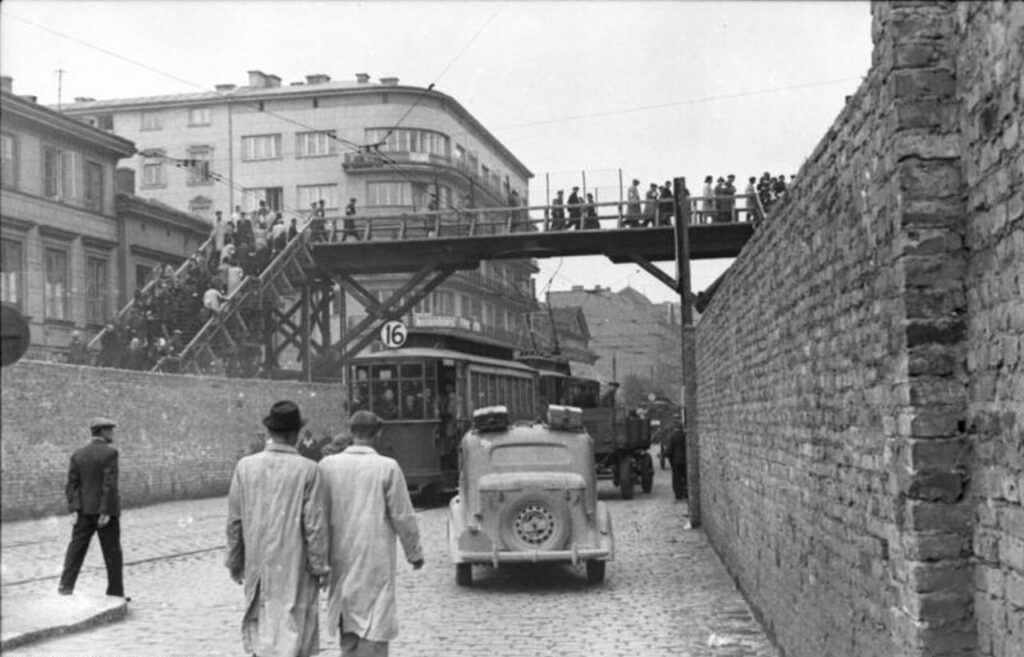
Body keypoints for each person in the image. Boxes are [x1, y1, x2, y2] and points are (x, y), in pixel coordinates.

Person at [226, 401, 331, 657]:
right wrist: (320, 566)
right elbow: (314, 526)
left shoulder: (245, 467)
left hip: (258, 565)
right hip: (295, 565)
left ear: (270, 433)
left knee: (260, 626)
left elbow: (234, 521)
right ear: (294, 435)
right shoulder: (309, 471)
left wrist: (235, 560)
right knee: (294, 630)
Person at [318, 411, 424, 657]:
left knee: (347, 619)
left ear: (351, 431)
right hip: (375, 558)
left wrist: (318, 559)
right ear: (377, 434)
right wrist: (414, 552)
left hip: (339, 557)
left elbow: (317, 516)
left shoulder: (327, 466)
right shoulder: (387, 467)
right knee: (375, 622)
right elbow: (402, 515)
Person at [58, 417, 127, 600]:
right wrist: (105, 511)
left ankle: (65, 588)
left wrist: (74, 508)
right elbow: (109, 485)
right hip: (104, 513)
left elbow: (71, 484)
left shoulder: (78, 454)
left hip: (82, 511)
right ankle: (115, 593)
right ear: (102, 432)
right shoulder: (110, 453)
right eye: (109, 430)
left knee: (75, 550)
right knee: (112, 553)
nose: (112, 434)